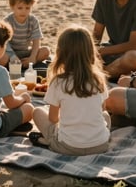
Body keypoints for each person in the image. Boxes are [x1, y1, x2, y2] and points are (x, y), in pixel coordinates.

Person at [30, 24, 110, 154]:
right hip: (100, 145)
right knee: (106, 116)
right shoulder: (98, 79)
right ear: (90, 52)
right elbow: (102, 110)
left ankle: (48, 141)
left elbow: (53, 119)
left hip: (68, 146)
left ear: (61, 54)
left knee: (37, 112)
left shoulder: (58, 82)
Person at [0, 0, 50, 69]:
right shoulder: (7, 21)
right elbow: (5, 43)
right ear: (12, 6)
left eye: (27, 8)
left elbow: (36, 42)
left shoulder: (33, 20)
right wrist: (13, 57)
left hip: (26, 52)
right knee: (0, 58)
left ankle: (27, 63)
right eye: (20, 8)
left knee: (46, 51)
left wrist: (32, 58)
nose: (24, 11)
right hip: (10, 52)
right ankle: (15, 65)